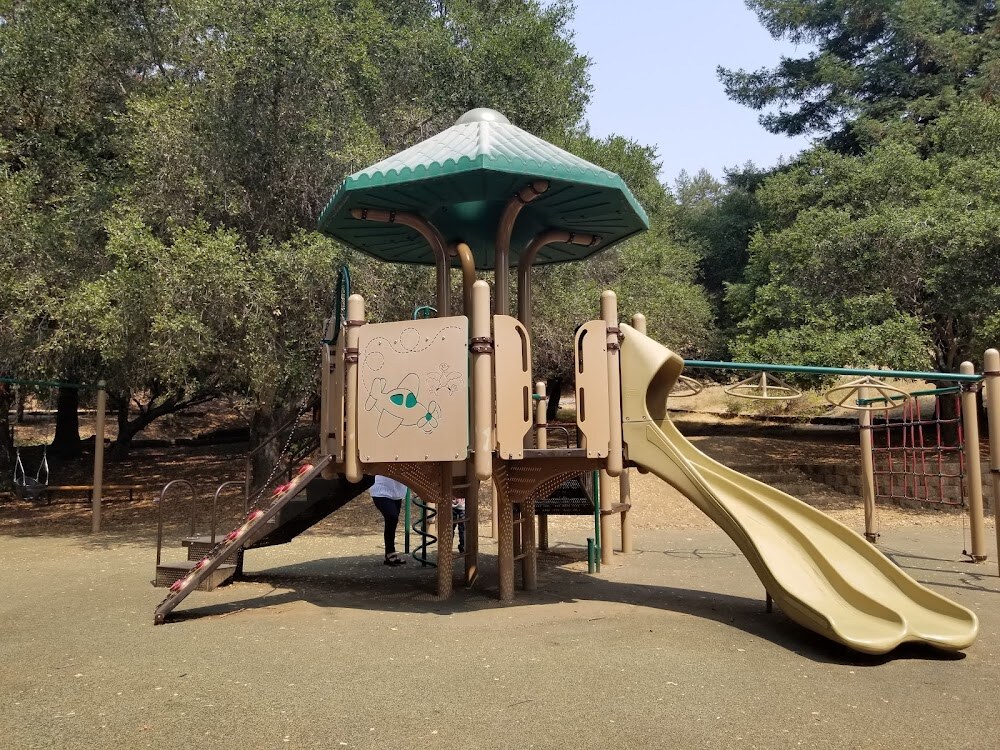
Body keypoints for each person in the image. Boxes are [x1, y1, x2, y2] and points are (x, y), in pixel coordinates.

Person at [371, 474, 408, 566]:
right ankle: (390, 553)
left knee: (392, 522)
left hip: (397, 492)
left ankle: (390, 553)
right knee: (392, 517)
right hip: (381, 490)